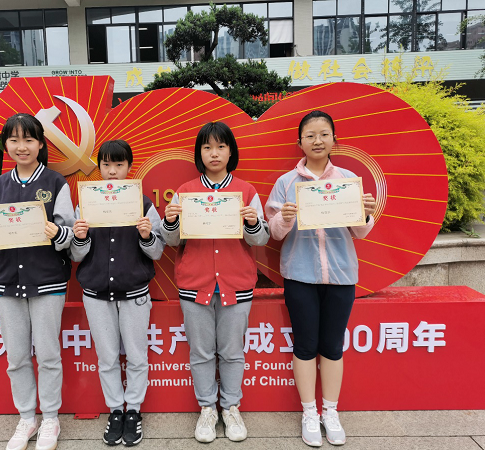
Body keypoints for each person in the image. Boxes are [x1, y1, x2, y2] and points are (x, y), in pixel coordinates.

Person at [0, 113, 74, 450]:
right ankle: (27, 417)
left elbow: (70, 234)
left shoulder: (56, 183)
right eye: (14, 140)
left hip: (47, 280)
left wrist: (57, 232)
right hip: (7, 281)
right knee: (17, 357)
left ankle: (50, 418)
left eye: (28, 139)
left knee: (49, 353)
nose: (21, 146)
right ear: (6, 145)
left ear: (41, 144)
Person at [265, 110, 376, 447]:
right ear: (299, 142)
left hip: (341, 275)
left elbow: (360, 232)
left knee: (332, 346)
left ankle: (330, 410)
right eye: (310, 135)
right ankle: (309, 412)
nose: (317, 141)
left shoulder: (347, 180)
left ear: (334, 139)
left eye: (324, 134)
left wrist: (365, 212)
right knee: (305, 345)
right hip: (299, 275)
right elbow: (273, 232)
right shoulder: (286, 183)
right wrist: (285, 218)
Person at [161, 121, 269, 443]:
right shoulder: (185, 191)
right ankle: (208, 408)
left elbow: (261, 238)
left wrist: (253, 222)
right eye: (207, 147)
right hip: (195, 284)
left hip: (236, 283)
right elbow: (171, 241)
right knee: (201, 352)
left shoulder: (246, 191)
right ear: (200, 153)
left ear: (231, 151)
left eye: (221, 146)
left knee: (233, 352)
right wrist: (170, 221)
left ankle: (231, 407)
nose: (214, 153)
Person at [69, 139, 165, 447]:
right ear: (99, 167)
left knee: (136, 355)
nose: (112, 171)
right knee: (107, 357)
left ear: (129, 167)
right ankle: (115, 410)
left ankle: (133, 410)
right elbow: (75, 254)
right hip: (96, 293)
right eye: (107, 165)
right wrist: (80, 238)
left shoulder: (143, 204)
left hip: (135, 292)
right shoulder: (85, 203)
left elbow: (158, 252)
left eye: (119, 165)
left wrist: (147, 235)